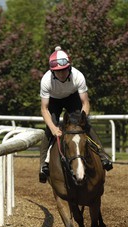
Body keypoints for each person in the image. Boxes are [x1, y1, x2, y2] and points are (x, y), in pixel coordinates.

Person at [39, 46, 113, 183]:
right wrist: (54, 128)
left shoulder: (78, 76)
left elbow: (85, 103)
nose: (62, 74)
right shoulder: (45, 80)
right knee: (50, 129)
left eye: (64, 70)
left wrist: (82, 120)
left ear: (70, 67)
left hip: (72, 97)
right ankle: (43, 164)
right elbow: (44, 109)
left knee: (86, 126)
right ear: (52, 71)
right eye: (58, 71)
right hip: (54, 100)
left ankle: (103, 155)